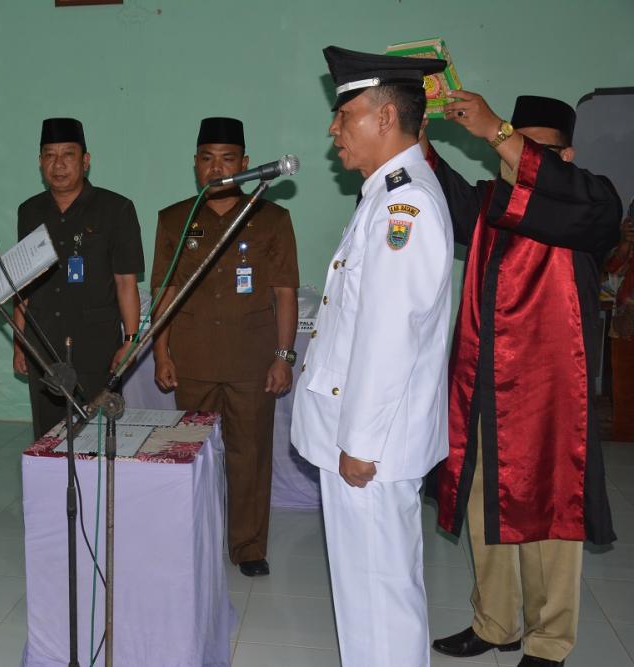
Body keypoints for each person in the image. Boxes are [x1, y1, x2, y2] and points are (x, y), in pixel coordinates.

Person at [425, 93, 620, 667]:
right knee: (484, 504)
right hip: (487, 385)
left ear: (568, 156)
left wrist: (496, 128)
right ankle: (496, 623)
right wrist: (415, 130)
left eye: (534, 148)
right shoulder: (492, 204)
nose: (517, 154)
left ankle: (548, 640)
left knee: (550, 515)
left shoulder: (593, 202)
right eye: (512, 145)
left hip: (553, 395)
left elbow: (569, 197)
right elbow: (443, 191)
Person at [290, 46, 453, 666]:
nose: (334, 129)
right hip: (364, 439)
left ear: (385, 117)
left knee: (380, 598)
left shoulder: (404, 206)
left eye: (344, 114)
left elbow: (390, 335)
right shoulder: (384, 196)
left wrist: (358, 442)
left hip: (372, 446)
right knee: (362, 595)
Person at [151, 116, 298, 577]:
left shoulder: (271, 218)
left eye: (228, 159)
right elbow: (163, 292)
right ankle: (190, 537)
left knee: (249, 456)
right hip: (192, 360)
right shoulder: (174, 219)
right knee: (188, 456)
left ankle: (248, 546)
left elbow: (285, 293)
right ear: (195, 164)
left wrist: (283, 357)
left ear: (246, 163)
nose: (217, 169)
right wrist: (160, 352)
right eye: (207, 159)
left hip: (251, 362)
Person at [13, 118, 143, 439]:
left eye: (68, 155)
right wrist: (19, 343)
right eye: (49, 155)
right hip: (43, 344)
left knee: (95, 436)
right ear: (40, 162)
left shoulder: (116, 209)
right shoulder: (29, 211)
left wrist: (130, 340)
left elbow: (126, 283)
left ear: (85, 161)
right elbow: (23, 284)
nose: (58, 164)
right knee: (48, 437)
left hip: (96, 346)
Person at [605, 202, 634, 441]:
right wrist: (624, 243)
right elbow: (612, 269)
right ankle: (623, 436)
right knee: (624, 389)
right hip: (627, 318)